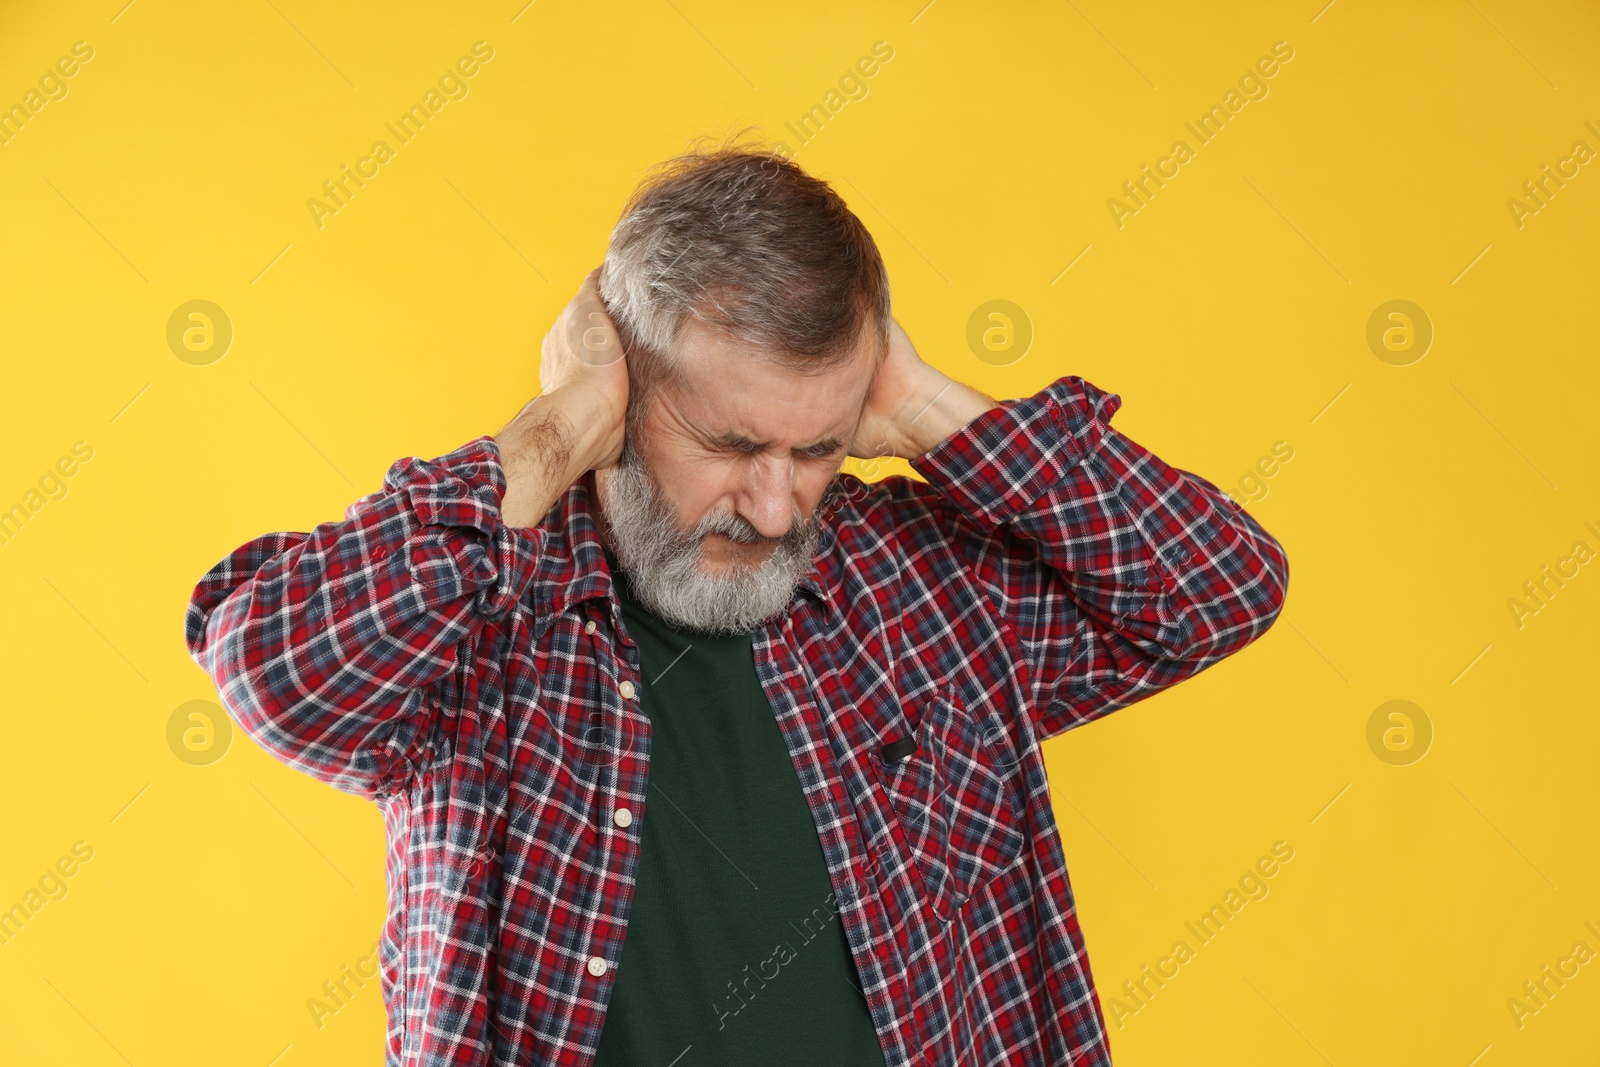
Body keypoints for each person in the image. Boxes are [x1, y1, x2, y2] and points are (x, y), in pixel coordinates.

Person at [184, 138, 1289, 1067]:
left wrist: (923, 406)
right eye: (729, 441)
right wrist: (559, 422)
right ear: (626, 385)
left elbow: (1219, 588)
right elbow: (280, 671)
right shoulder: (485, 595)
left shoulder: (927, 589)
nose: (772, 505)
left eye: (817, 445)